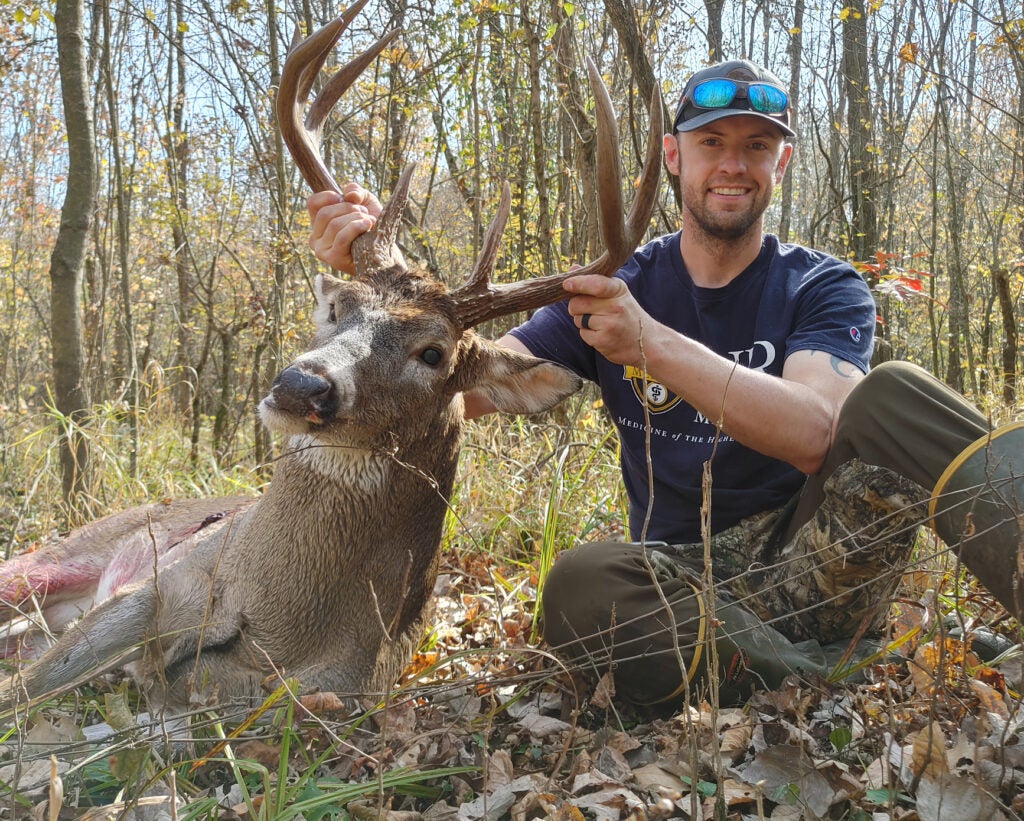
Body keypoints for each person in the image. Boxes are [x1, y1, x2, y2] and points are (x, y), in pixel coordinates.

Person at [306, 60, 1024, 707]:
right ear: (675, 157)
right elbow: (456, 386)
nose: (734, 165)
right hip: (682, 585)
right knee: (578, 586)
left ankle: (846, 650)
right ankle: (828, 672)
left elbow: (818, 433)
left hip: (825, 556)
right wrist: (382, 284)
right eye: (713, 144)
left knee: (896, 391)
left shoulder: (823, 286)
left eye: (756, 147)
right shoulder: (615, 288)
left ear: (783, 163)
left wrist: (648, 343)